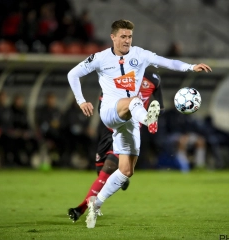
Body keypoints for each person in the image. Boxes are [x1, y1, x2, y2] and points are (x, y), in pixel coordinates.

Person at [67, 19, 212, 228]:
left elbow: (168, 62)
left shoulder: (140, 54)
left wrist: (191, 67)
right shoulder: (99, 58)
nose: (127, 40)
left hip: (130, 119)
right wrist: (81, 101)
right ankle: (147, 118)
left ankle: (96, 205)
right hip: (111, 110)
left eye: (130, 37)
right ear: (113, 37)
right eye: (123, 36)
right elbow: (73, 74)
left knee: (126, 171)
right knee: (135, 101)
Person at [68, 71, 165, 222]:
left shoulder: (154, 79)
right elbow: (103, 103)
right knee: (101, 170)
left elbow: (160, 106)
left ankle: (82, 208)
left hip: (127, 129)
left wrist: (153, 113)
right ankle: (120, 179)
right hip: (108, 129)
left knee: (107, 169)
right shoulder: (119, 75)